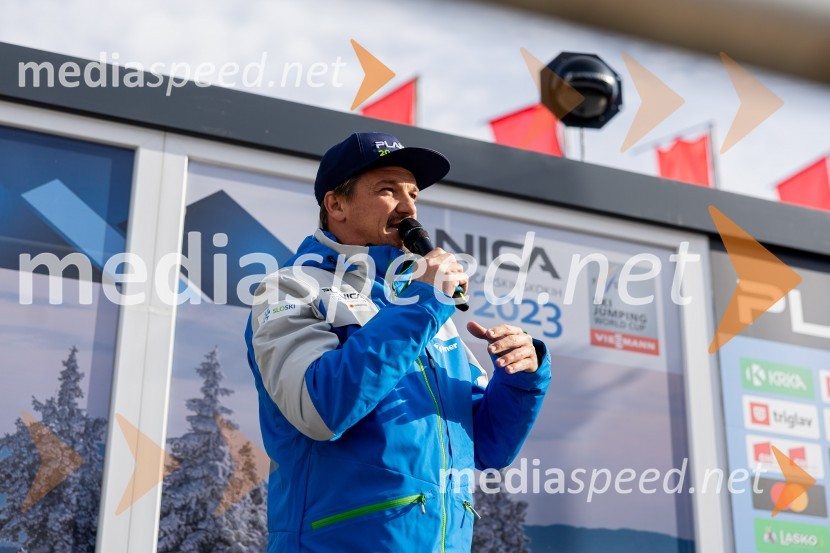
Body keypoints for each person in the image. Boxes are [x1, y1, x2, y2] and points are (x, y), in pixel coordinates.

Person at [244, 131, 551, 552]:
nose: (408, 207)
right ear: (336, 204)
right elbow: (320, 410)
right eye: (387, 191)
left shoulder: (420, 303)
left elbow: (485, 446)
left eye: (412, 194)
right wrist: (425, 303)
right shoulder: (291, 288)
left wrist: (522, 376)